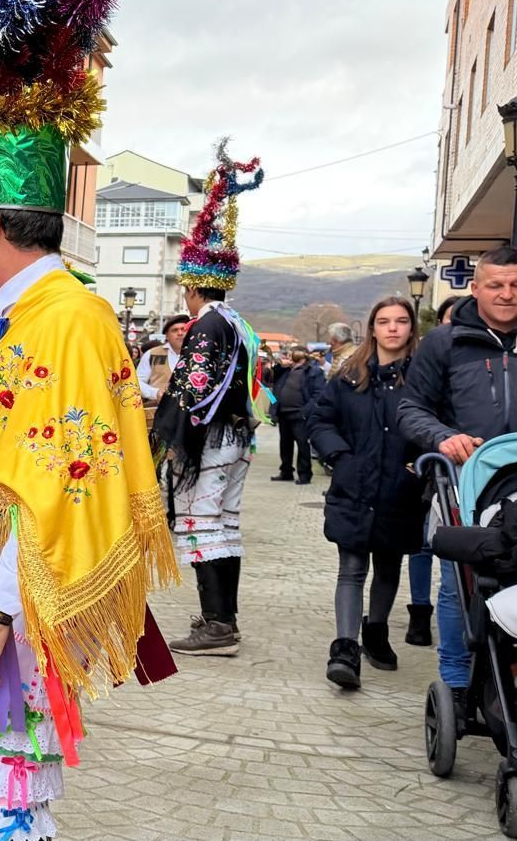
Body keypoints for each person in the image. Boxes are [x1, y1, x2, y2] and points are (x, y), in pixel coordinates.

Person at [0, 0, 176, 828]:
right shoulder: (37, 314)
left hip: (26, 598)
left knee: (7, 796)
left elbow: (60, 487)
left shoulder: (62, 321)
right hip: (9, 585)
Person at [397, 244, 517, 717]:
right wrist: (443, 437)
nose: (507, 294)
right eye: (496, 285)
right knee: (459, 585)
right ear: (476, 287)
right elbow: (411, 408)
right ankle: (458, 683)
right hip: (463, 483)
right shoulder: (444, 343)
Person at [153, 140, 267, 657]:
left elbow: (193, 390)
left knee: (203, 523)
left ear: (193, 286)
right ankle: (224, 620)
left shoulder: (207, 325)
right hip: (237, 436)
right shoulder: (237, 322)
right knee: (224, 523)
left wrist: (167, 438)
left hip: (214, 439)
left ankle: (217, 624)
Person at [307, 297, 424, 689]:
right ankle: (345, 649)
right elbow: (320, 420)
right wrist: (340, 458)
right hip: (354, 485)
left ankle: (376, 630)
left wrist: (419, 465)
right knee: (352, 568)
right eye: (384, 321)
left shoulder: (424, 380)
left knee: (389, 565)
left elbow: (438, 424)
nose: (393, 328)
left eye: (401, 321)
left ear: (411, 328)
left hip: (400, 488)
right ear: (372, 328)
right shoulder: (349, 376)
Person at [403, 293, 467, 647]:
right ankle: (419, 612)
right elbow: (414, 411)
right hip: (427, 460)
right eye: (449, 319)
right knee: (423, 543)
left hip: (459, 466)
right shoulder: (430, 357)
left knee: (448, 545)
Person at [268, 347, 325, 485]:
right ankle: (286, 471)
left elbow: (318, 393)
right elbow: (271, 377)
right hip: (284, 413)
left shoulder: (314, 371)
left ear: (301, 357)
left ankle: (304, 474)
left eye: (291, 355)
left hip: (300, 414)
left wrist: (307, 411)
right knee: (285, 445)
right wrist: (280, 366)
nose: (288, 358)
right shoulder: (286, 370)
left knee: (302, 445)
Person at [138, 315, 188, 402]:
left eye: (183, 329)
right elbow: (137, 382)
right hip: (157, 407)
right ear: (167, 336)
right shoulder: (151, 354)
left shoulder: (199, 354)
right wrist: (155, 393)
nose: (180, 333)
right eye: (175, 330)